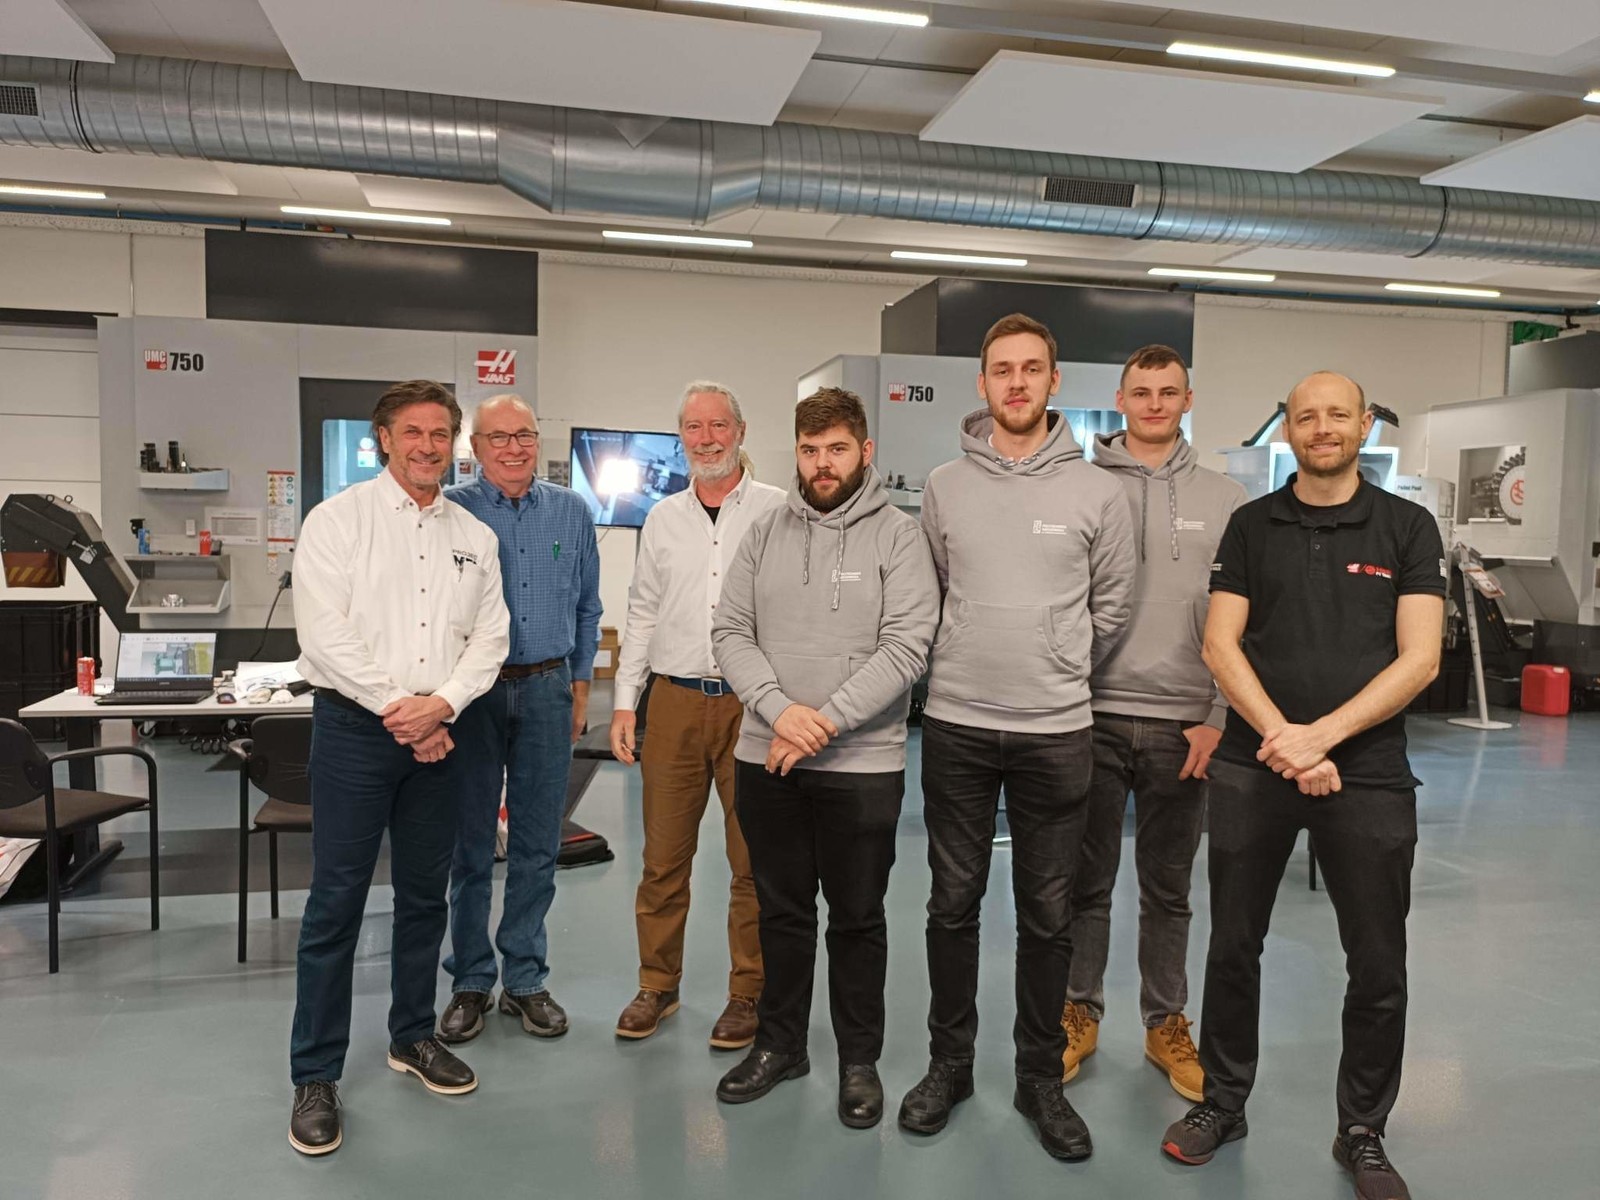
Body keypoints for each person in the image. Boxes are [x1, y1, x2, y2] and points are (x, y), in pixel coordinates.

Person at [1160, 372, 1443, 1200]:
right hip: (1254, 765)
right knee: (1234, 944)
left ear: (1365, 425)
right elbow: (1220, 646)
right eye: (1306, 415)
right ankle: (1223, 1102)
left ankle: (1363, 1129)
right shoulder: (1252, 526)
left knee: (1378, 960)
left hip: (1369, 771)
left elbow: (1421, 659)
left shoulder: (1407, 527)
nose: (1322, 428)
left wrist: (1321, 737)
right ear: (1287, 427)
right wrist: (1284, 740)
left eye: (1337, 415)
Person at [899, 313, 1136, 1161]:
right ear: (982, 384)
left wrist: (1058, 658)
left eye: (1032, 368)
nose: (1017, 382)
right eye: (1002, 370)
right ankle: (949, 1065)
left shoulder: (1098, 492)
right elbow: (931, 592)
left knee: (1047, 914)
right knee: (951, 904)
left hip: (1056, 731)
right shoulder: (944, 485)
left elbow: (1113, 605)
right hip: (958, 725)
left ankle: (1040, 1078)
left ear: (1053, 381)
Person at [286, 380, 509, 1156]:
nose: (427, 446)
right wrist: (403, 710)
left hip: (442, 733)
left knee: (423, 897)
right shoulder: (337, 521)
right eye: (412, 432)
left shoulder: (473, 536)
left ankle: (412, 1035)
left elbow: (491, 637)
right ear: (383, 438)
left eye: (440, 434)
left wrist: (440, 705)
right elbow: (325, 635)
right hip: (357, 733)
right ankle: (315, 1074)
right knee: (336, 904)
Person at [709, 387, 938, 1127]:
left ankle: (858, 1060)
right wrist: (780, 711)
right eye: (810, 451)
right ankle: (781, 1046)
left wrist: (823, 723)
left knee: (858, 917)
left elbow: (907, 647)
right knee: (780, 911)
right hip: (766, 759)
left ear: (865, 452)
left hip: (862, 767)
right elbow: (730, 631)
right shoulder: (764, 532)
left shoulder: (899, 537)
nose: (822, 464)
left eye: (837, 449)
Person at [1062, 346, 1246, 1101]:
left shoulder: (1227, 497)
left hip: (1185, 726)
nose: (1155, 403)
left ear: (1188, 400)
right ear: (1120, 399)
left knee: (1169, 889)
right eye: (1141, 391)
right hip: (1091, 714)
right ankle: (1078, 1011)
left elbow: (1245, 617)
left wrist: (1218, 714)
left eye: (1169, 392)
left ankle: (1165, 1020)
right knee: (1085, 883)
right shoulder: (1078, 484)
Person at [609, 382, 786, 1048]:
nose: (706, 438)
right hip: (675, 702)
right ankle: (657, 985)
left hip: (754, 704)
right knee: (663, 860)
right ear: (680, 436)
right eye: (693, 427)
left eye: (718, 425)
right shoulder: (662, 519)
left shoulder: (777, 510)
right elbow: (641, 612)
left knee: (754, 863)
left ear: (740, 430)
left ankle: (748, 994)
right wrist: (624, 702)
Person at [436, 395, 601, 1045]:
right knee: (470, 843)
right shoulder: (450, 511)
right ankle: (471, 979)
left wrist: (580, 688)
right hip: (471, 696)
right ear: (475, 447)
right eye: (498, 437)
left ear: (538, 441)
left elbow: (588, 606)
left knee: (536, 844)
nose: (513, 448)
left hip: (547, 688)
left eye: (524, 435)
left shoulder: (571, 511)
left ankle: (526, 978)